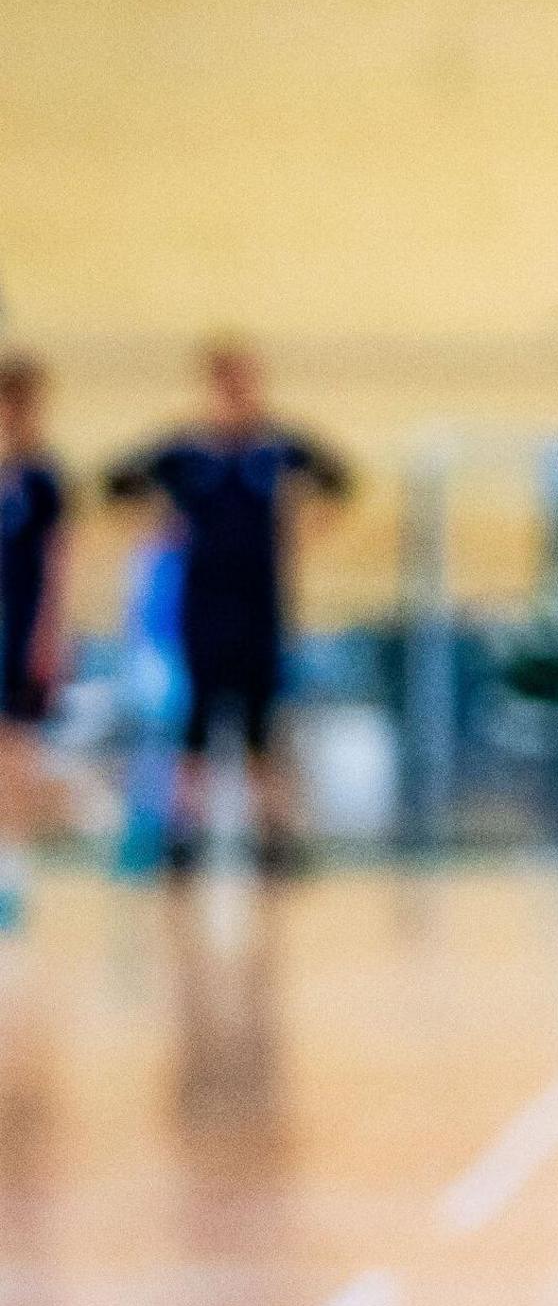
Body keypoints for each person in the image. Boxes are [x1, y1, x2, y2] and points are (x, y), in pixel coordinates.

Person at [103, 342, 348, 878]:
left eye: (246, 383)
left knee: (263, 726)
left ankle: (273, 838)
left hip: (261, 610)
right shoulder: (187, 454)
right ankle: (181, 836)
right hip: (204, 613)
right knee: (195, 725)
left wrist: (300, 533)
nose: (239, 396)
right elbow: (117, 484)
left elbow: (339, 480)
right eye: (229, 385)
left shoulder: (277, 449)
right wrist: (158, 527)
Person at [0, 357, 68, 929]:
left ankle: (11, 872)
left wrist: (49, 635)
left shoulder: (42, 480)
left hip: (17, 634)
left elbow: (55, 565)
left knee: (15, 751)